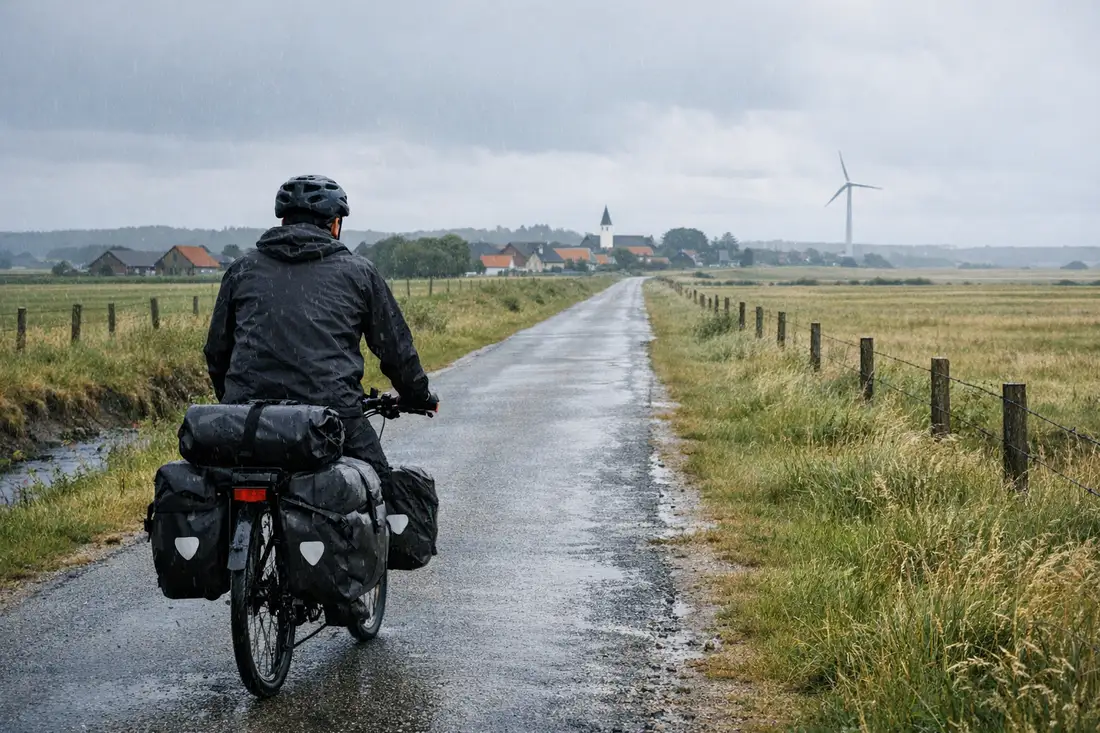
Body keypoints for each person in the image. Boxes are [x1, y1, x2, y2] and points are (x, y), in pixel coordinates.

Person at [203, 174, 438, 490]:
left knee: (218, 487)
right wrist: (417, 396)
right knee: (381, 490)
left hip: (247, 417)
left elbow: (217, 351)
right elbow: (395, 349)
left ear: (284, 220)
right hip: (332, 414)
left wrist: (235, 400)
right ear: (335, 224)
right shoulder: (358, 272)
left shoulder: (242, 269)